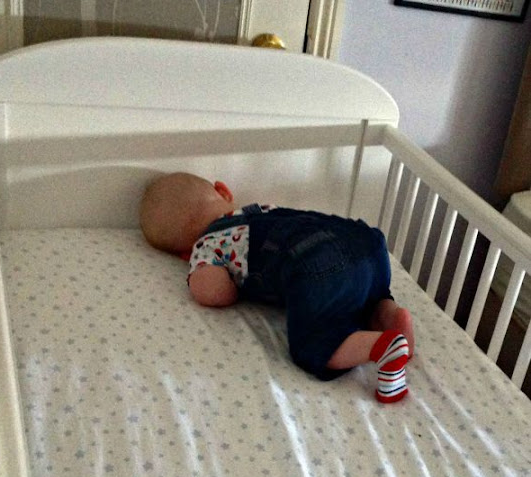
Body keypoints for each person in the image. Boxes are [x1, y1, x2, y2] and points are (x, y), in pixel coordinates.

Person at [140, 172, 414, 403]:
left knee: (313, 342)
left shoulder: (206, 246)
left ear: (183, 255)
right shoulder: (259, 209)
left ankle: (382, 346)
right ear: (223, 192)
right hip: (366, 242)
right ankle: (389, 314)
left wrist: (199, 275)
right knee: (366, 294)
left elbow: (214, 292)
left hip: (318, 267)